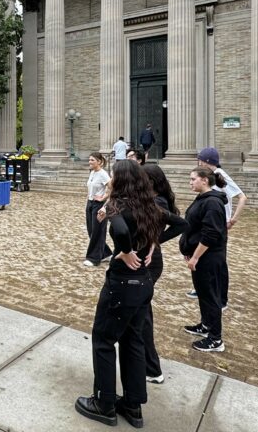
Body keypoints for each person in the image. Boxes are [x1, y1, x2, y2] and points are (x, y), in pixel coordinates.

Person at [75, 160, 186, 427]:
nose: (110, 179)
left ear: (121, 180)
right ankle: (133, 405)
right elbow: (181, 223)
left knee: (103, 340)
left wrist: (124, 251)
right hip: (144, 282)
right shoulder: (150, 206)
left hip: (122, 284)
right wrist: (154, 243)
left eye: (113, 175)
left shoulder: (118, 205)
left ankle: (104, 403)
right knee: (133, 341)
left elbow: (122, 229)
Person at [188, 147, 247, 306]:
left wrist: (233, 220)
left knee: (217, 262)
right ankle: (202, 288)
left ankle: (221, 299)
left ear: (205, 162)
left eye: (200, 160)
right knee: (205, 259)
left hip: (218, 223)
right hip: (208, 221)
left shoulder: (221, 175)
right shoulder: (208, 176)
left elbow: (242, 197)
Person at [180, 166, 229, 353]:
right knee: (203, 293)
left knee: (211, 297)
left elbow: (211, 234)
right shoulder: (204, 199)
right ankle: (206, 325)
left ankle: (215, 339)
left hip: (208, 258)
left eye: (193, 179)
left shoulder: (212, 203)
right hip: (200, 257)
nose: (190, 182)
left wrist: (195, 256)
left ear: (205, 180)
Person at [141, 163, 180, 384]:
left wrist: (156, 241)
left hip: (149, 262)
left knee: (143, 314)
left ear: (151, 182)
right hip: (147, 257)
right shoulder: (153, 201)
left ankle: (152, 368)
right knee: (140, 312)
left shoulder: (158, 202)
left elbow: (180, 225)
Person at [83, 152, 111, 267]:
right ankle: (106, 254)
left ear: (99, 161)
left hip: (99, 205)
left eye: (92, 160)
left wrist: (104, 197)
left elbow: (111, 187)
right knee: (91, 230)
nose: (90, 162)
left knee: (97, 231)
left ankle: (94, 258)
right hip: (90, 203)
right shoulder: (92, 172)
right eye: (89, 160)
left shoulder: (103, 174)